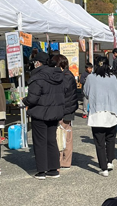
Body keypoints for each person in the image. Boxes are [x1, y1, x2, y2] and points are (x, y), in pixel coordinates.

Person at [23, 51, 65, 180]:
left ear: (38, 63)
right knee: (51, 140)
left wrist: (24, 101)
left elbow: (32, 98)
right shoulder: (58, 75)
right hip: (54, 112)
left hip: (40, 112)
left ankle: (41, 171)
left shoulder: (38, 77)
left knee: (40, 142)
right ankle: (53, 169)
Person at [84, 56, 117, 177]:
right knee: (110, 138)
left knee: (99, 142)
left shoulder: (90, 77)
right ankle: (110, 161)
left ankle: (103, 167)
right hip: (111, 112)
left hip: (97, 112)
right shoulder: (112, 78)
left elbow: (85, 92)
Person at [52, 54, 78, 169]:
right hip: (69, 110)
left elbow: (61, 93)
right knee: (66, 135)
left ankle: (61, 160)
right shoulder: (69, 75)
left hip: (63, 110)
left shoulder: (64, 77)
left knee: (61, 136)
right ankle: (66, 161)